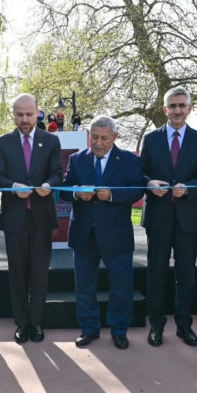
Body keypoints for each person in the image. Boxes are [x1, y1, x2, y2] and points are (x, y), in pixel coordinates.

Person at [60, 115, 143, 350]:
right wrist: (76, 193)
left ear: (115, 137)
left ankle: (119, 331)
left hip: (116, 235)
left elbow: (137, 189)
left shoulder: (128, 160)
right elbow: (65, 190)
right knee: (85, 286)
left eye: (104, 138)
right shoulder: (77, 159)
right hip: (83, 234)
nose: (98, 143)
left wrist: (114, 195)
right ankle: (89, 329)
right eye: (94, 137)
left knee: (121, 287)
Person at [141, 86, 197, 348]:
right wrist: (149, 184)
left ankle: (184, 326)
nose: (177, 110)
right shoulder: (150, 139)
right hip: (158, 217)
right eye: (172, 106)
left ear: (190, 108)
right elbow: (140, 174)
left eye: (182, 105)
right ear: (165, 109)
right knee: (156, 272)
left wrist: (190, 188)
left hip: (188, 217)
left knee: (187, 274)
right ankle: (156, 326)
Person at [0, 93, 62, 344]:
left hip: (42, 217)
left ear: (37, 113)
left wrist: (48, 185)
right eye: (19, 114)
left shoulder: (50, 141)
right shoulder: (2, 142)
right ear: (13, 114)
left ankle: (37, 322)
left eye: (29, 114)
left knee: (40, 273)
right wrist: (12, 186)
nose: (24, 119)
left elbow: (57, 173)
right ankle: (21, 324)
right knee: (18, 274)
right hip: (14, 218)